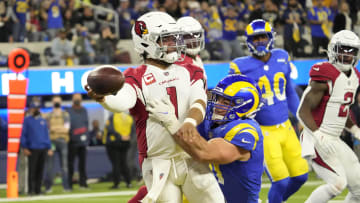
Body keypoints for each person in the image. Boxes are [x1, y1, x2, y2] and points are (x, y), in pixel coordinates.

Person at [85, 11, 224, 203]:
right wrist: (104, 99)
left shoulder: (191, 70)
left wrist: (190, 122)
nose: (174, 43)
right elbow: (124, 100)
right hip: (157, 161)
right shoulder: (135, 75)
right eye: (166, 39)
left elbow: (199, 101)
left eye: (175, 38)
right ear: (146, 42)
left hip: (190, 154)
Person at [147, 74, 264, 203]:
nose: (217, 105)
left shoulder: (246, 131)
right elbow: (189, 138)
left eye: (226, 102)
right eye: (218, 99)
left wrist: (171, 122)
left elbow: (204, 153)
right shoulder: (213, 122)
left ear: (244, 107)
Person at [229, 19, 308, 203]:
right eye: (255, 38)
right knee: (280, 181)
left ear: (271, 37)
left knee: (301, 176)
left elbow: (289, 90)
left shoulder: (282, 56)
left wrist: (300, 117)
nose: (259, 41)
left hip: (286, 127)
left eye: (263, 36)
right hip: (263, 131)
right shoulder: (239, 66)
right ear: (248, 41)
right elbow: (230, 96)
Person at [297, 30, 360, 203]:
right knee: (337, 183)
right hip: (316, 136)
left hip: (334, 138)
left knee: (359, 189)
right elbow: (303, 111)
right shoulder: (325, 74)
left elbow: (341, 109)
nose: (347, 54)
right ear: (333, 50)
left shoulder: (355, 76)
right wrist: (318, 135)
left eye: (351, 50)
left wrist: (354, 129)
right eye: (343, 49)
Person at [20, 101, 52, 195]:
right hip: (32, 148)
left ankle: (38, 190)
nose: (36, 110)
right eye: (35, 108)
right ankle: (30, 190)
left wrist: (49, 147)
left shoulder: (43, 120)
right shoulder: (27, 120)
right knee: (32, 170)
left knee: (40, 170)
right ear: (31, 109)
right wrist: (25, 147)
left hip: (43, 148)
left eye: (38, 108)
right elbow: (23, 134)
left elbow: (46, 134)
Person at [44, 96, 71, 193]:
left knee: (64, 166)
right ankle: (48, 187)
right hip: (52, 142)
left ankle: (66, 187)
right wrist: (60, 128)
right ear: (52, 102)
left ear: (61, 102)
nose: (56, 103)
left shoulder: (65, 115)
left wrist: (55, 129)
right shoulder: (49, 115)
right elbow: (47, 130)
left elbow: (67, 129)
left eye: (58, 101)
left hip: (63, 141)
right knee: (49, 166)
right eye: (55, 101)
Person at [103, 112, 133, 189]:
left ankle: (117, 183)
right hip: (126, 142)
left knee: (116, 163)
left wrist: (119, 136)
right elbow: (133, 130)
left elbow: (109, 128)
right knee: (124, 162)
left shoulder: (114, 116)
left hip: (114, 142)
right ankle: (128, 182)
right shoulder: (129, 117)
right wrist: (128, 137)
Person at [67, 93, 89, 189]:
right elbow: (67, 126)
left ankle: (83, 183)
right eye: (76, 98)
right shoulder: (68, 111)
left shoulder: (84, 110)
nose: (77, 100)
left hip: (83, 142)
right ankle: (69, 184)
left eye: (79, 99)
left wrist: (86, 136)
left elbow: (86, 124)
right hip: (72, 141)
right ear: (72, 99)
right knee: (70, 164)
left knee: (82, 164)